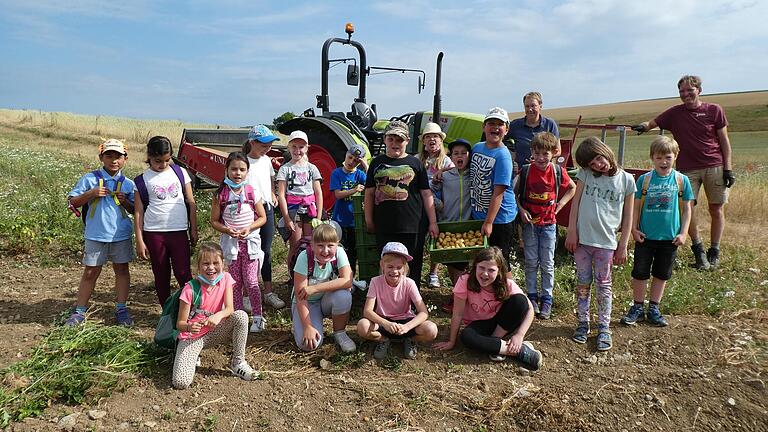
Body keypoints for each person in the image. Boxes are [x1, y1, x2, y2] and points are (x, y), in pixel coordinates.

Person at [632, 75, 735, 270]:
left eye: (690, 90)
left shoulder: (714, 110)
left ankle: (715, 251)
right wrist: (642, 127)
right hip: (687, 169)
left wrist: (728, 168)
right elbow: (652, 123)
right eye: (682, 92)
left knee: (716, 209)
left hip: (714, 164)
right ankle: (699, 251)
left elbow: (724, 141)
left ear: (699, 90)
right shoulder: (675, 113)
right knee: (687, 207)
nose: (686, 94)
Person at [565, 137, 635, 351]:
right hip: (583, 242)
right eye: (592, 164)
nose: (597, 165)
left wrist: (623, 245)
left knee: (604, 286)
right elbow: (575, 205)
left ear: (605, 151)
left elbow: (628, 217)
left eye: (598, 159)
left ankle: (604, 327)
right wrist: (571, 232)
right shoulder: (586, 175)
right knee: (583, 283)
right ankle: (583, 323)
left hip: (606, 243)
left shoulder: (626, 180)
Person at [622, 136, 694, 327]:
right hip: (645, 237)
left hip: (670, 238)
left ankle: (654, 308)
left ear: (676, 157)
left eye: (668, 157)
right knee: (639, 272)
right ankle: (637, 306)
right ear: (652, 158)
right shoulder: (644, 180)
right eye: (659, 157)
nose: (663, 162)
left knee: (662, 274)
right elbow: (635, 207)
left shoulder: (681, 181)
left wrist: (684, 232)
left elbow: (687, 209)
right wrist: (634, 230)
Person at [65, 139, 136, 326]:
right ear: (101, 157)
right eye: (109, 156)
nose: (114, 160)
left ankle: (121, 308)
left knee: (121, 269)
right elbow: (72, 202)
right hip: (95, 234)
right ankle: (80, 310)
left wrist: (125, 201)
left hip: (121, 234)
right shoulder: (90, 179)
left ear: (125, 159)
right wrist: (91, 193)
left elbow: (134, 210)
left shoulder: (128, 184)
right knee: (90, 271)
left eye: (118, 157)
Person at [434, 247, 541, 370]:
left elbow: (530, 309)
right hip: (479, 324)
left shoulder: (506, 283)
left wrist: (519, 335)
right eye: (482, 268)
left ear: (499, 271)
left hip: (502, 323)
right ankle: (517, 351)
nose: (485, 273)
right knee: (466, 336)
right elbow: (457, 314)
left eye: (491, 270)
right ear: (475, 267)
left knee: (520, 300)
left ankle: (494, 341)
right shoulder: (465, 281)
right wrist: (451, 341)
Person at [172, 242, 259, 389]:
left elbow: (230, 308)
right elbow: (179, 324)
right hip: (193, 338)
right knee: (181, 382)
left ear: (222, 263)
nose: (211, 268)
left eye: (215, 263)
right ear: (198, 267)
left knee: (241, 316)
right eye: (206, 263)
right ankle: (189, 355)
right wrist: (189, 326)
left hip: (215, 331)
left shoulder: (226, 278)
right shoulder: (190, 289)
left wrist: (219, 315)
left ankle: (238, 362)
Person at [364, 120, 439, 288]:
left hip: (412, 225)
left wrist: (433, 222)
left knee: (412, 264)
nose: (395, 143)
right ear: (385, 140)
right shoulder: (376, 163)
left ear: (407, 140)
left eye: (399, 139)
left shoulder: (416, 163)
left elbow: (426, 194)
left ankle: (411, 300)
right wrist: (369, 219)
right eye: (391, 139)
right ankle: (387, 300)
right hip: (384, 224)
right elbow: (369, 193)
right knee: (387, 264)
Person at [514, 132, 576, 319]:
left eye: (546, 154)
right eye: (538, 153)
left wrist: (561, 205)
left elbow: (572, 187)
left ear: (554, 153)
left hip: (549, 224)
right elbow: (514, 193)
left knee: (548, 263)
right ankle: (532, 297)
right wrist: (521, 210)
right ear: (532, 152)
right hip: (530, 225)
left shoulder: (558, 171)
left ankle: (547, 299)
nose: (541, 158)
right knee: (531, 262)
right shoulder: (525, 171)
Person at [134, 136, 197, 306]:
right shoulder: (141, 180)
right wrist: (139, 240)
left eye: (167, 160)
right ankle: (167, 312)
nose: (163, 165)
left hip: (178, 231)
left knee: (183, 273)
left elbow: (191, 202)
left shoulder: (180, 173)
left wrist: (194, 228)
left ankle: (190, 309)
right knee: (161, 274)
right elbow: (138, 212)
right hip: (154, 233)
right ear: (149, 157)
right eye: (158, 161)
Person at [211, 152, 267, 333]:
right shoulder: (221, 194)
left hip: (250, 244)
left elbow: (262, 217)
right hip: (231, 246)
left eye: (242, 169)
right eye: (234, 169)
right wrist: (227, 230)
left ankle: (258, 317)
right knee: (235, 283)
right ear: (226, 170)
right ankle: (238, 318)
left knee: (251, 281)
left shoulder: (252, 191)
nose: (238, 173)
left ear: (247, 171)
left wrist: (249, 228)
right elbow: (214, 221)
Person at [356, 242, 438, 360]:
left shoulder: (409, 283)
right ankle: (383, 340)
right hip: (384, 322)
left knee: (431, 329)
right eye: (390, 267)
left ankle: (409, 339)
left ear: (405, 268)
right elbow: (367, 311)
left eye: (399, 267)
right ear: (382, 265)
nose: (394, 271)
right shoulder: (375, 282)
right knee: (362, 326)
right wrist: (386, 324)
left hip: (405, 322)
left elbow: (423, 312)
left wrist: (408, 327)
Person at [291, 223, 356, 352]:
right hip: (307, 303)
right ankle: (301, 326)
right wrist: (308, 326)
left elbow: (347, 281)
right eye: (320, 246)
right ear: (312, 246)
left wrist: (315, 288)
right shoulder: (304, 257)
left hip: (326, 298)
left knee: (344, 295)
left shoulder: (340, 253)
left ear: (337, 244)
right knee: (309, 345)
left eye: (330, 245)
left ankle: (340, 333)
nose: (325, 251)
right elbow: (301, 298)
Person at [242, 124, 286, 310]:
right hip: (247, 211)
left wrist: (273, 194)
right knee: (248, 252)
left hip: (266, 208)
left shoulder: (267, 160)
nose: (268, 148)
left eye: (269, 144)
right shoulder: (242, 161)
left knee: (265, 251)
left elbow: (270, 179)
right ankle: (245, 294)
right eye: (264, 144)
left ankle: (268, 292)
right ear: (252, 142)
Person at [469, 107, 518, 264]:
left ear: (506, 129)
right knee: (482, 261)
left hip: (499, 220)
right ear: (484, 127)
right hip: (479, 214)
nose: (495, 127)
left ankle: (509, 289)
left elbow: (499, 193)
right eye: (491, 123)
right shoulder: (477, 147)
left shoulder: (503, 156)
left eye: (500, 124)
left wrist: (489, 222)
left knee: (500, 263)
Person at [432, 138, 472, 312]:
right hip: (449, 226)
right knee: (452, 264)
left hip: (470, 228)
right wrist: (440, 206)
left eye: (464, 153)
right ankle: (458, 296)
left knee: (464, 265)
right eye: (456, 153)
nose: (460, 156)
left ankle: (461, 297)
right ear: (451, 157)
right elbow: (430, 193)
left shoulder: (474, 175)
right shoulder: (445, 177)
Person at [277, 130, 323, 273]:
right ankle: (293, 275)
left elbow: (318, 192)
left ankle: (308, 272)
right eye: (294, 146)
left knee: (310, 242)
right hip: (293, 210)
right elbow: (281, 194)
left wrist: (319, 217)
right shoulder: (285, 169)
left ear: (307, 148)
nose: (298, 150)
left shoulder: (312, 168)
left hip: (309, 209)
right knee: (296, 245)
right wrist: (286, 218)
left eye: (301, 147)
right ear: (289, 148)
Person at [418, 122, 455, 289]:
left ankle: (433, 273)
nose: (432, 139)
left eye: (435, 137)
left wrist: (443, 172)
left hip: (439, 205)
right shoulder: (418, 160)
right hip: (420, 205)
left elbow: (456, 171)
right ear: (424, 143)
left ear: (440, 141)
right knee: (419, 238)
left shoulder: (446, 161)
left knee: (436, 238)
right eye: (428, 137)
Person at [329, 143, 368, 290]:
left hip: (355, 222)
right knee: (339, 252)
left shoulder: (360, 174)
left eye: (356, 160)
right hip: (340, 220)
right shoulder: (337, 173)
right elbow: (338, 194)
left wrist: (365, 165)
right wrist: (354, 190)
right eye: (350, 157)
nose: (351, 162)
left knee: (353, 253)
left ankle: (350, 282)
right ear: (346, 155)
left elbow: (372, 183)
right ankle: (340, 281)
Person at [506, 91, 560, 173]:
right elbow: (500, 140)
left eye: (533, 106)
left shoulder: (549, 124)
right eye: (527, 106)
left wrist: (539, 158)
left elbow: (558, 151)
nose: (530, 109)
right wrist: (510, 152)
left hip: (544, 172)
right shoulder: (515, 125)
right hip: (522, 173)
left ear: (540, 106)